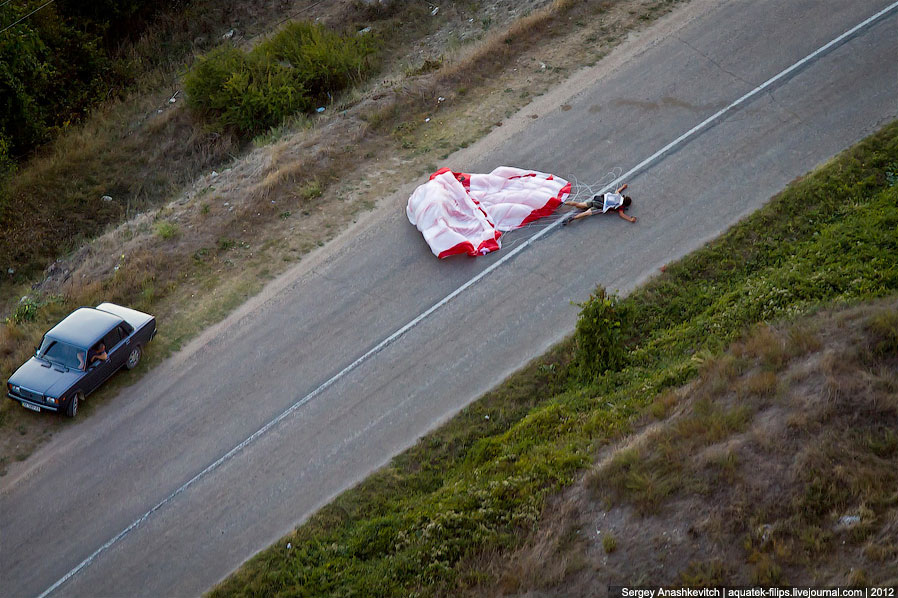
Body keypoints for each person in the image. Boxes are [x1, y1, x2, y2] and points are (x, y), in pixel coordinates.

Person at [561, 183, 637, 225]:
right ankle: (573, 218)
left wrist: (623, 187)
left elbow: (617, 191)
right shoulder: (620, 206)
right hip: (600, 206)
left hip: (598, 199)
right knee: (586, 213)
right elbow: (621, 214)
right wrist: (630, 219)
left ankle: (564, 203)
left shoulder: (618, 196)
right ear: (625, 204)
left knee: (579, 204)